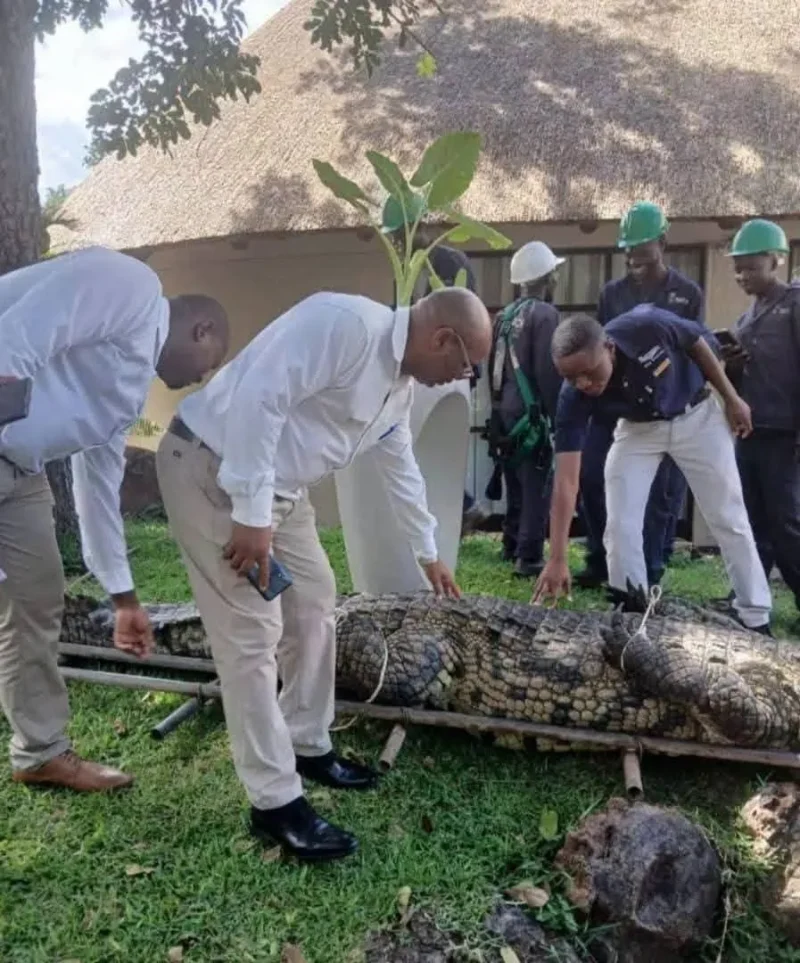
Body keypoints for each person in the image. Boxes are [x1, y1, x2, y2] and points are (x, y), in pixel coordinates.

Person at [155, 286, 492, 863]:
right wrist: (252, 516)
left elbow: (399, 463)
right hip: (214, 469)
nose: (461, 377)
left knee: (314, 603)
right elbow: (261, 396)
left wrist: (428, 551)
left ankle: (307, 742)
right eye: (465, 365)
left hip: (281, 492)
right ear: (441, 339)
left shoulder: (400, 387)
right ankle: (274, 802)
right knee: (250, 638)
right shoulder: (346, 326)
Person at [0, 247, 229, 792]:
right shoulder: (128, 284)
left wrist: (123, 599)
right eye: (212, 363)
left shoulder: (126, 394)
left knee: (35, 597)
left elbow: (96, 491)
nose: (202, 379)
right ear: (201, 330)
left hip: (19, 470)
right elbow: (14, 341)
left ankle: (39, 752)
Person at [532, 308, 772, 635]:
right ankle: (631, 612)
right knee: (619, 521)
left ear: (610, 349)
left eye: (588, 372)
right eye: (571, 378)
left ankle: (756, 616)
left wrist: (731, 398)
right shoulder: (572, 396)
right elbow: (566, 480)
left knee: (728, 516)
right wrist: (557, 557)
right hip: (638, 430)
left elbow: (696, 344)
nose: (583, 383)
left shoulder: (646, 326)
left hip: (696, 416)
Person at [576, 202, 705, 589]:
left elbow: (694, 348)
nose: (632, 255)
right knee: (594, 479)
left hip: (663, 409)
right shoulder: (611, 293)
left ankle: (649, 571)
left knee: (658, 494)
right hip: (615, 406)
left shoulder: (686, 293)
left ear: (663, 242)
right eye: (627, 247)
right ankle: (601, 559)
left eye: (640, 246)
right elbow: (601, 349)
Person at [721, 219, 800, 612]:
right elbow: (738, 381)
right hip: (750, 433)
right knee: (749, 523)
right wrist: (731, 365)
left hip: (785, 435)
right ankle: (750, 599)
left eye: (752, 266)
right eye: (738, 267)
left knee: (786, 524)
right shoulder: (746, 319)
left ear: (776, 261)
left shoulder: (794, 305)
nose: (742, 275)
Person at [487, 241, 564, 577]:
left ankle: (511, 542)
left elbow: (493, 367)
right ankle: (529, 556)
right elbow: (548, 371)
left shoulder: (503, 317)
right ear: (548, 277)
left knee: (514, 481)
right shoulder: (545, 315)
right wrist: (557, 416)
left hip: (504, 411)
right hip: (531, 411)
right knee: (536, 483)